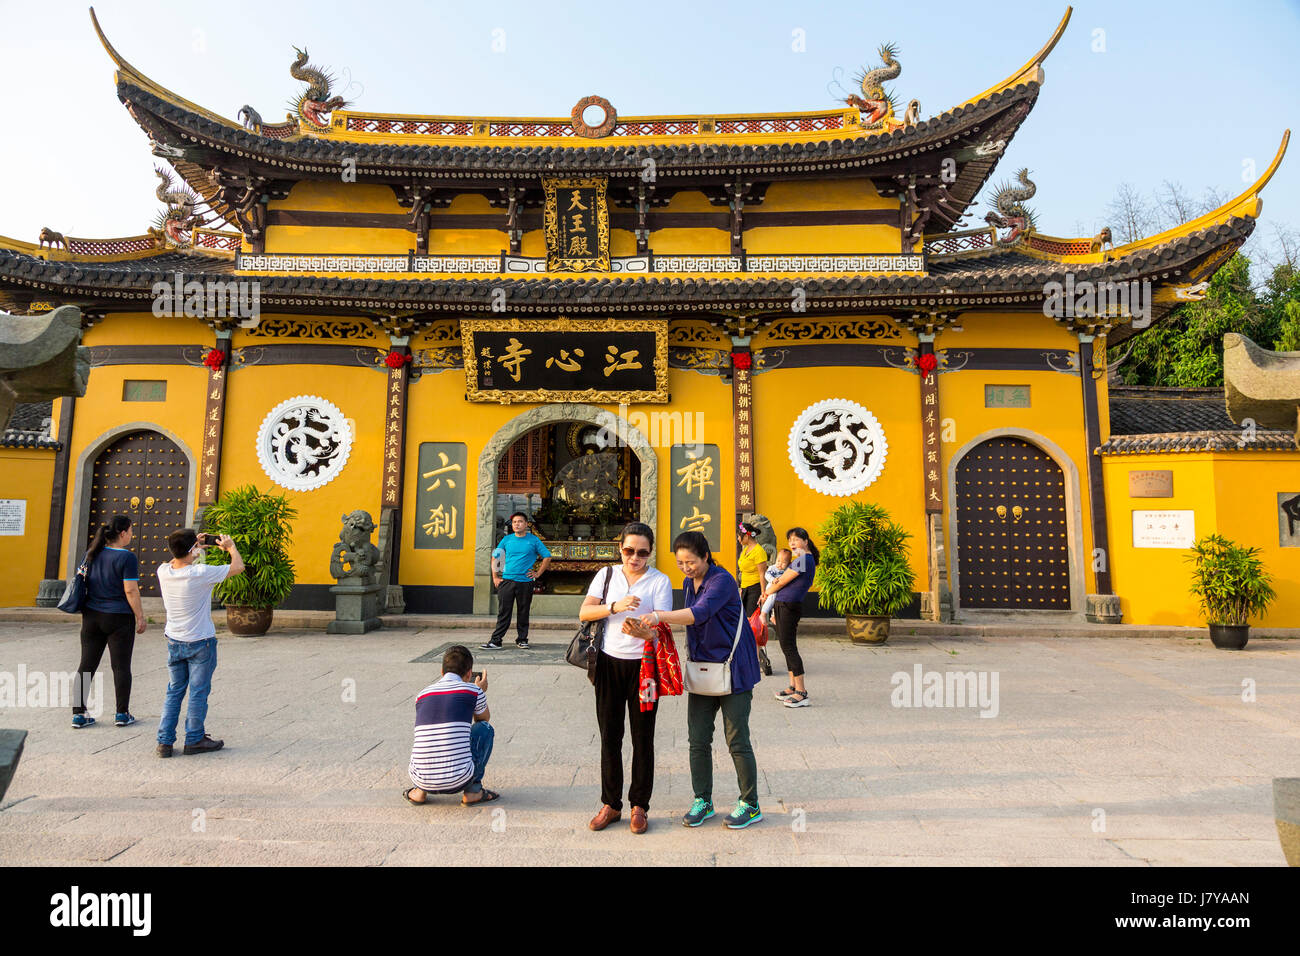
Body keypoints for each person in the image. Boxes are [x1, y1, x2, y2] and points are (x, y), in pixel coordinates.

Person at [643, 531, 763, 830]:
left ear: (705, 556)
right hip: (703, 670)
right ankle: (703, 800)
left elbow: (700, 614)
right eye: (681, 563)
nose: (686, 568)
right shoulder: (688, 582)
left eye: (691, 562)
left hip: (733, 669)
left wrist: (659, 616)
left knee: (737, 740)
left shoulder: (721, 580)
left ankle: (750, 804)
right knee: (697, 740)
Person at [578, 522, 673, 834]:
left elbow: (662, 630)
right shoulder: (607, 575)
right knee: (610, 735)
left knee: (643, 738)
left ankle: (639, 806)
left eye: (642, 552)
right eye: (629, 550)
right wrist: (615, 607)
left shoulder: (659, 581)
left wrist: (646, 632)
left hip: (645, 669)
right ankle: (611, 804)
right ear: (620, 548)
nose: (635, 558)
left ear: (650, 553)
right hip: (608, 664)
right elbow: (584, 613)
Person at [154, 529, 244, 757]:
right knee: (198, 692)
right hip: (200, 642)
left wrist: (194, 547)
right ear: (191, 549)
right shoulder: (201, 573)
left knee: (174, 691)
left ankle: (164, 741)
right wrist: (230, 547)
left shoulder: (163, 571)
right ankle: (194, 738)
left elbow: (177, 557)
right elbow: (238, 567)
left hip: (174, 641)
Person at [72, 515, 145, 729]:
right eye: (131, 530)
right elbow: (130, 590)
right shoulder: (126, 558)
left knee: (86, 665)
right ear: (122, 533)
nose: (132, 534)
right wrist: (140, 616)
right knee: (121, 666)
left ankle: (78, 714)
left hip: (92, 616)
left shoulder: (92, 553)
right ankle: (122, 713)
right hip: (119, 617)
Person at [404, 644, 497, 806]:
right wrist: (479, 691)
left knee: (432, 735)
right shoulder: (473, 691)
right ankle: (473, 791)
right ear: (469, 674)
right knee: (485, 729)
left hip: (420, 777)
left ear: (442, 672)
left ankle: (419, 792)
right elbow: (483, 719)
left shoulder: (422, 694)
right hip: (459, 779)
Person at [764, 527, 819, 709]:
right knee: (785, 647)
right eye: (790, 541)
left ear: (806, 540)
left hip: (788, 606)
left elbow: (781, 581)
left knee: (789, 647)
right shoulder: (802, 560)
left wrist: (767, 592)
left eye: (796, 539)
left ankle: (802, 692)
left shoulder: (803, 560)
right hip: (783, 605)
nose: (792, 543)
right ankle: (792, 686)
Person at [483, 512, 551, 650]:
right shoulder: (507, 540)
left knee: (523, 611)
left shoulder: (533, 540)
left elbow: (547, 557)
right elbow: (496, 557)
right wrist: (495, 576)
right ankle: (496, 641)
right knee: (504, 612)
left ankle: (522, 639)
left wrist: (537, 573)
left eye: (520, 522)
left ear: (526, 524)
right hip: (507, 581)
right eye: (514, 522)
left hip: (525, 582)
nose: (517, 524)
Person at [736, 523, 769, 621]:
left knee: (751, 619)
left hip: (755, 588)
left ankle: (752, 636)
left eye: (738, 536)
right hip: (745, 588)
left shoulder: (759, 551)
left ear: (746, 536)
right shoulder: (745, 549)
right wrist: (742, 587)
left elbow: (762, 574)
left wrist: (763, 593)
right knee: (743, 618)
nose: (738, 539)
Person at [760, 548, 792, 625]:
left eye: (783, 562)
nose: (780, 564)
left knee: (778, 600)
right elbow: (766, 575)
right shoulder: (773, 568)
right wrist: (772, 579)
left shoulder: (788, 569)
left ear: (788, 563)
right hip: (771, 586)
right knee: (773, 596)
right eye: (778, 561)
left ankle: (773, 616)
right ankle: (763, 614)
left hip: (780, 588)